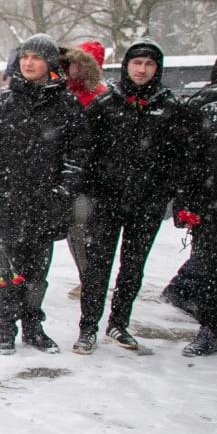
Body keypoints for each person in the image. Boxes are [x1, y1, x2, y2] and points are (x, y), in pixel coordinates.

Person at [0, 34, 86, 355]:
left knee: (37, 273)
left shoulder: (66, 105)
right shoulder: (0, 102)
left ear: (50, 63)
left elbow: (77, 155)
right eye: (24, 57)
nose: (29, 63)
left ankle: (34, 326)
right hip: (6, 203)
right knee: (9, 271)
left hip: (46, 204)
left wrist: (63, 191)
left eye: (36, 57)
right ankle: (5, 328)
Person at [72, 39, 189, 354]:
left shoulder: (170, 108)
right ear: (126, 66)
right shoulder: (106, 104)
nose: (142, 69)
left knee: (133, 267)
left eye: (149, 64)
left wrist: (164, 192)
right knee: (98, 266)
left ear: (157, 69)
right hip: (106, 201)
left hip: (146, 204)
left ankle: (119, 323)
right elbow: (86, 151)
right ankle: (88, 326)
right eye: (137, 63)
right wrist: (91, 189)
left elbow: (179, 156)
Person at [161, 40, 217, 320]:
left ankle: (186, 291)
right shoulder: (208, 107)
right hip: (213, 200)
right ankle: (197, 306)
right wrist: (188, 199)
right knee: (211, 261)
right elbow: (189, 158)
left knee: (210, 259)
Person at [179, 51, 217, 359]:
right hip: (214, 210)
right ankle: (209, 329)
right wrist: (187, 203)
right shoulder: (210, 112)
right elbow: (192, 163)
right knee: (212, 276)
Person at [58, 41, 107, 285]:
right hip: (63, 171)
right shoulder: (63, 93)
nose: (72, 68)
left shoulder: (99, 98)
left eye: (78, 63)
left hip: (87, 177)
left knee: (80, 230)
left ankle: (88, 279)